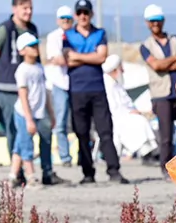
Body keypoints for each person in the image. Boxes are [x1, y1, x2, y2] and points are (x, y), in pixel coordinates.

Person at [64, 0, 127, 184]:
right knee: (81, 132)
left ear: (91, 14)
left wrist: (79, 56)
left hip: (97, 90)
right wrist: (90, 57)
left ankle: (114, 170)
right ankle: (88, 173)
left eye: (86, 12)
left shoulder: (100, 33)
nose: (83, 16)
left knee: (105, 130)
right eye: (80, 12)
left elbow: (102, 57)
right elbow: (67, 59)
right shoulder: (67, 35)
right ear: (76, 15)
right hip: (77, 90)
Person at [0, 0, 46, 185]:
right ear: (15, 8)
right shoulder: (5, 29)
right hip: (7, 87)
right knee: (14, 132)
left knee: (35, 132)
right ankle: (22, 173)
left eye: (30, 8)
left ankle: (29, 172)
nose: (28, 12)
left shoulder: (32, 29)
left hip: (31, 90)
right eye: (24, 8)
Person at [139, 4, 176, 174]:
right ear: (147, 23)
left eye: (158, 20)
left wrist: (166, 64)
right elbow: (156, 65)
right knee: (166, 135)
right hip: (161, 95)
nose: (155, 24)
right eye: (152, 21)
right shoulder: (145, 45)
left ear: (163, 21)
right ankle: (166, 167)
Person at [10, 33, 52, 189]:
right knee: (27, 144)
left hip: (38, 112)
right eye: (31, 46)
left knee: (19, 145)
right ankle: (31, 177)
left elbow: (44, 91)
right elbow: (23, 94)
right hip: (24, 113)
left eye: (36, 45)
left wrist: (50, 112)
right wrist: (28, 118)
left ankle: (13, 175)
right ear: (22, 51)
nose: (35, 48)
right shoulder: (22, 70)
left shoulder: (39, 67)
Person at [46, 5, 75, 167]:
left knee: (80, 121)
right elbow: (58, 59)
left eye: (68, 18)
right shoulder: (53, 37)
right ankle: (65, 157)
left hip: (76, 83)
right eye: (63, 18)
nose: (65, 21)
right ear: (58, 20)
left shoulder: (77, 35)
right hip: (60, 83)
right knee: (61, 121)